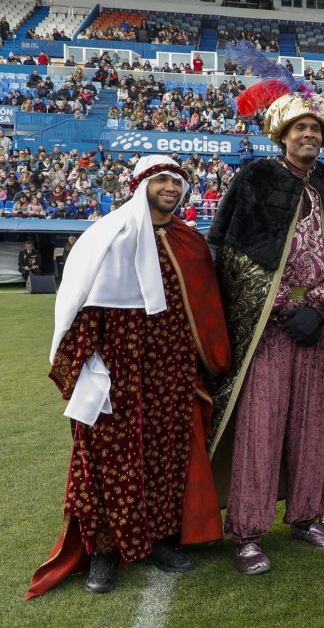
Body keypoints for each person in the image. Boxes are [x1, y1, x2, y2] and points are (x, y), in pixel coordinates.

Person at [26, 155, 231, 598]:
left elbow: (207, 309)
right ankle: (103, 554)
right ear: (141, 185)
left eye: (177, 182)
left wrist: (206, 364)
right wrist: (85, 367)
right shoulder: (107, 236)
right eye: (161, 180)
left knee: (165, 457)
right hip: (114, 369)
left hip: (169, 371)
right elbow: (81, 306)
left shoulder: (190, 242)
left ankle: (158, 540)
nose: (170, 189)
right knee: (105, 463)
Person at [208, 59, 324, 575]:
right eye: (300, 128)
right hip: (268, 331)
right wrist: (284, 305)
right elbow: (233, 255)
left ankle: (305, 517)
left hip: (321, 332)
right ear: (281, 134)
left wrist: (321, 304)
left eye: (315, 129)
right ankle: (248, 531)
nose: (308, 134)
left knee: (312, 427)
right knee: (260, 427)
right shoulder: (256, 180)